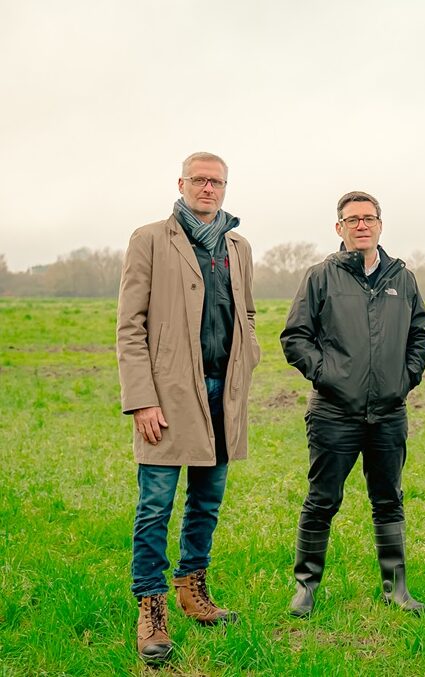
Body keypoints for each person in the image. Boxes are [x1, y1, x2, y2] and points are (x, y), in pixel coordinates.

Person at [116, 151, 259, 664]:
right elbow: (129, 326)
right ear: (181, 182)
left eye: (217, 182)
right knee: (155, 505)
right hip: (168, 398)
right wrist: (142, 399)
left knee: (207, 501)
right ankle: (151, 608)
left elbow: (245, 311)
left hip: (224, 396)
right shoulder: (151, 239)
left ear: (226, 187)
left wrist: (249, 359)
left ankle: (192, 589)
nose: (208, 188)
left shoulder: (237, 246)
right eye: (199, 180)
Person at [280, 190, 425, 617]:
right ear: (339, 228)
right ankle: (306, 587)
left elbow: (420, 334)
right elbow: (295, 337)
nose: (361, 225)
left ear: (380, 225)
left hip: (388, 413)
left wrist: (405, 379)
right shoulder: (321, 276)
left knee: (388, 499)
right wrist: (328, 375)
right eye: (352, 219)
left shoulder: (402, 279)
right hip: (333, 412)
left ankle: (396, 589)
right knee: (322, 499)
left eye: (368, 218)